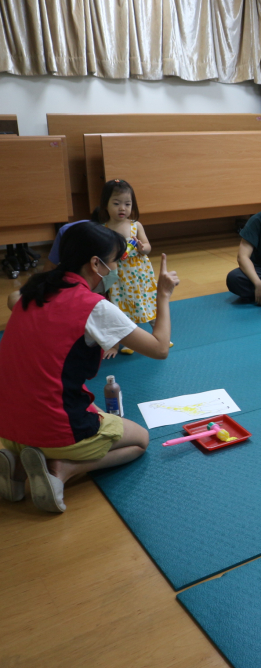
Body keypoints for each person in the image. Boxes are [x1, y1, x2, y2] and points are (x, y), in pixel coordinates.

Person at [0, 222, 179, 513]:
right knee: (139, 441)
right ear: (96, 264)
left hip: (8, 425)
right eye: (114, 263)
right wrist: (163, 295)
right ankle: (62, 469)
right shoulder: (94, 306)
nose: (116, 271)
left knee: (84, 402)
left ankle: (17, 465)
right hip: (56, 428)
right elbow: (160, 348)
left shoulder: (30, 293)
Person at [91, 179, 160, 357]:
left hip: (139, 275)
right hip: (118, 278)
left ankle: (159, 335)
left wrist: (142, 248)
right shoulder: (103, 229)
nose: (122, 208)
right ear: (105, 205)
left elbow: (148, 247)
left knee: (147, 303)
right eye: (116, 203)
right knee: (121, 308)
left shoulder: (135, 225)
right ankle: (126, 341)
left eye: (127, 204)